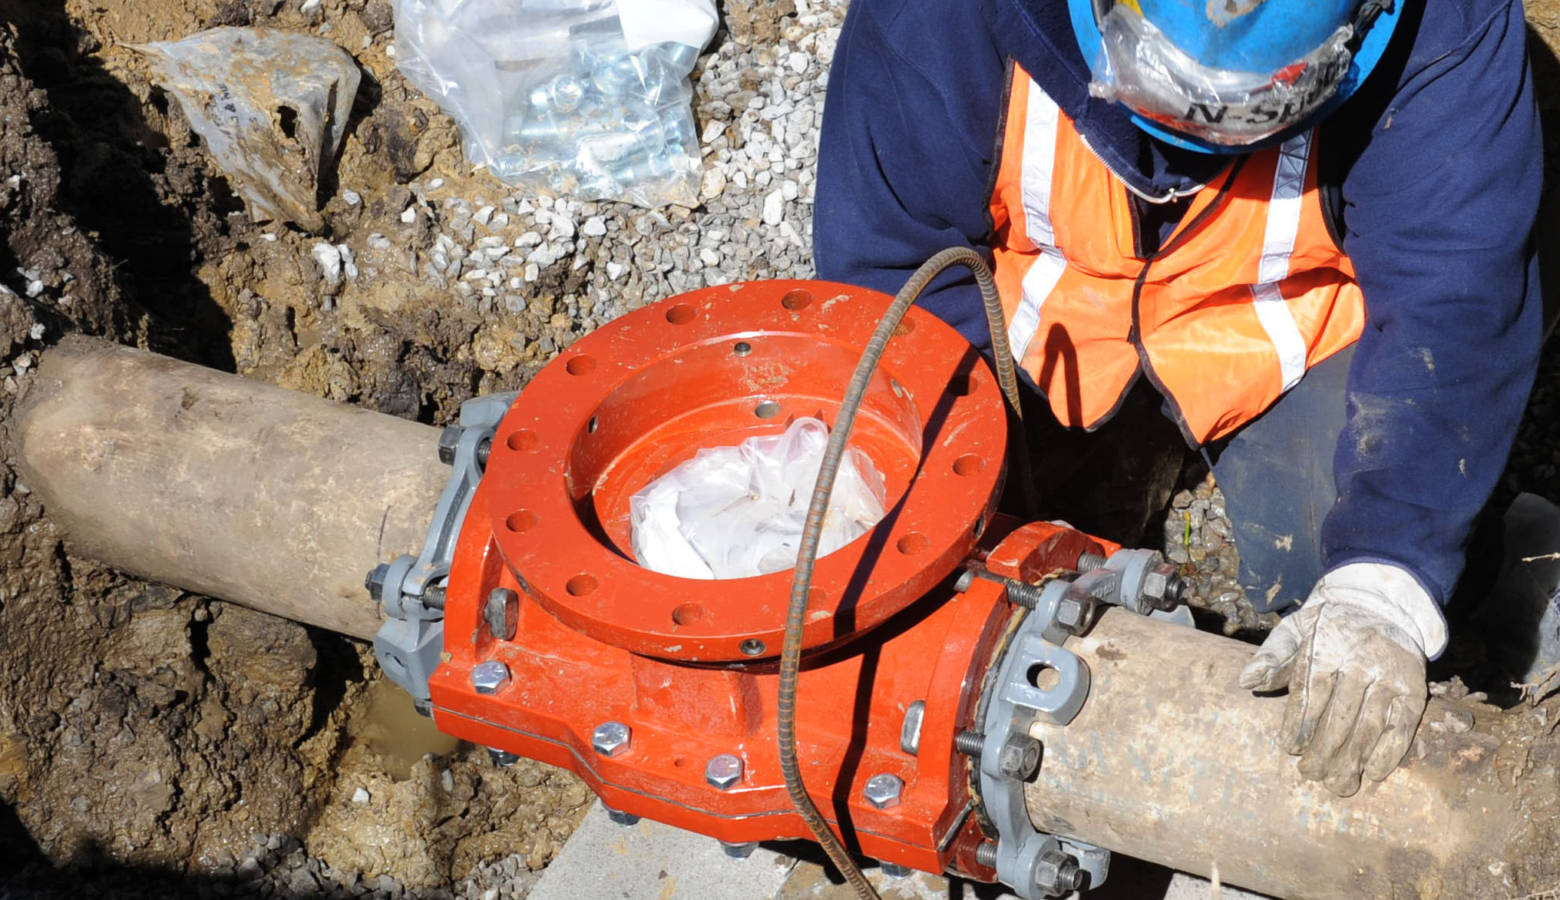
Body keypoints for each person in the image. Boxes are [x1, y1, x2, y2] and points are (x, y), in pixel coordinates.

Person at [813, 0, 1543, 797]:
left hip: (1279, 320)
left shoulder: (1448, 24)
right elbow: (887, 266)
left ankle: (1510, 553)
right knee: (951, 575)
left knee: (1376, 564)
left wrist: (1389, 571)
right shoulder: (935, 19)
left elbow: (1452, 290)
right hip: (1044, 326)